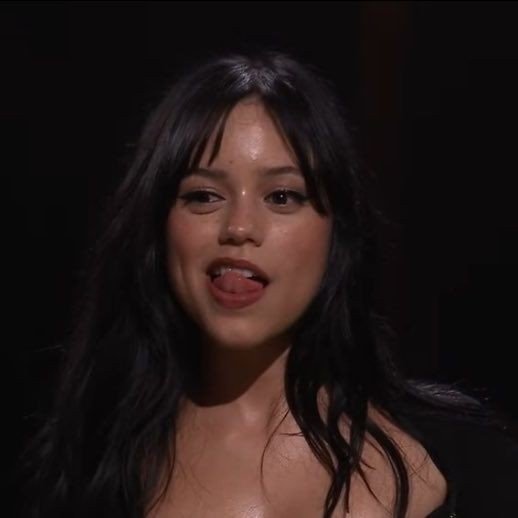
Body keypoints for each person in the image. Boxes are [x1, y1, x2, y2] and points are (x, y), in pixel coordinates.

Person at [20, 50, 518, 518]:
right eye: (203, 196)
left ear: (338, 233)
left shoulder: (466, 454)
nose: (239, 227)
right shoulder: (84, 470)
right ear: (158, 228)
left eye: (282, 196)